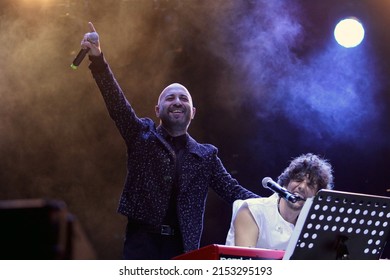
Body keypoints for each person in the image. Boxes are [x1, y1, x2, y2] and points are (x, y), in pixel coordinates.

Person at [78, 22, 260, 259]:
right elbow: (117, 105)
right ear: (157, 109)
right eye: (170, 98)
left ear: (193, 111)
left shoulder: (206, 156)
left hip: (184, 248)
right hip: (142, 245)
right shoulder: (142, 135)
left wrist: (278, 204)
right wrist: (98, 61)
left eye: (183, 98)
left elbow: (234, 192)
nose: (176, 101)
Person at [225, 153, 334, 250]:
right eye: (298, 180)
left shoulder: (311, 225)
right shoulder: (253, 210)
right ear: (286, 183)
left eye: (310, 185)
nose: (302, 187)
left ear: (316, 195)